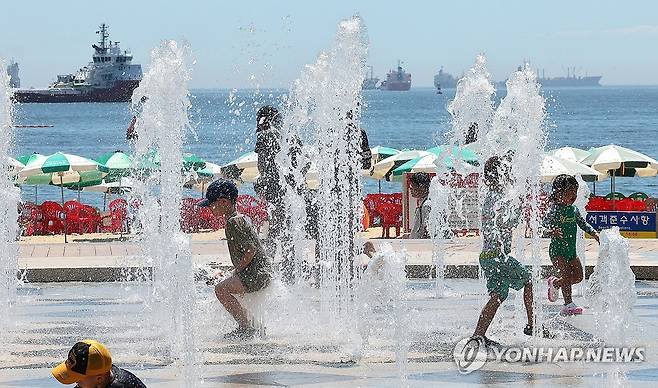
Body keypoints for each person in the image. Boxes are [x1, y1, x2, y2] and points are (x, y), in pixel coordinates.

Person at [469, 156, 544, 347]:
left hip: (488, 256)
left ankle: (478, 334)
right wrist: (519, 206)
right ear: (503, 176)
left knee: (498, 297)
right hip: (498, 257)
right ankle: (532, 324)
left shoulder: (489, 198)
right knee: (528, 280)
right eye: (508, 173)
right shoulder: (500, 199)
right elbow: (508, 223)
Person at [200, 179, 272, 340]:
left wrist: (235, 272)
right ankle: (254, 326)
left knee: (221, 290)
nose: (209, 209)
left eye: (211, 204)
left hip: (256, 274)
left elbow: (250, 250)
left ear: (224, 202)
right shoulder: (239, 218)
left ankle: (246, 328)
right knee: (226, 287)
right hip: (261, 271)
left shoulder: (234, 221)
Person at [544, 174, 599, 315]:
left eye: (575, 192)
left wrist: (594, 233)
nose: (573, 196)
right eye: (570, 192)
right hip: (557, 251)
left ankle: (555, 283)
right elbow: (540, 228)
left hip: (571, 252)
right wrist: (551, 232)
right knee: (567, 275)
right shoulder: (554, 210)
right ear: (559, 193)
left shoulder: (573, 210)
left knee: (579, 277)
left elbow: (582, 223)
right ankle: (568, 304)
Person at [52, 339, 145, 388]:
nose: (75, 382)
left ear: (99, 379)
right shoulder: (95, 379)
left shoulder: (121, 386)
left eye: (78, 379)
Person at [401, 172, 431, 239]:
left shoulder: (427, 205)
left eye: (412, 186)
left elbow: (428, 231)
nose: (410, 188)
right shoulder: (424, 203)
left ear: (421, 187)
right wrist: (409, 236)